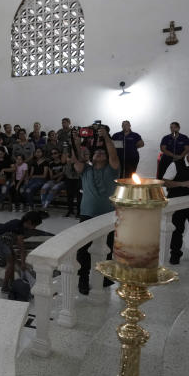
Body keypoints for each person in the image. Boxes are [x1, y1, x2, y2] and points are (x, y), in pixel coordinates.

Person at [72, 126, 120, 295]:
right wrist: (76, 143)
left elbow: (113, 153)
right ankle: (83, 279)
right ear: (91, 157)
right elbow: (76, 160)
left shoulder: (112, 169)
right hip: (87, 214)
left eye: (103, 153)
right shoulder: (86, 170)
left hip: (107, 214)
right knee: (83, 248)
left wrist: (106, 137)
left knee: (107, 246)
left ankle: (106, 276)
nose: (100, 154)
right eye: (96, 153)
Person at [0, 211, 46, 293]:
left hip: (4, 242)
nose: (35, 227)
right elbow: (22, 248)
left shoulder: (18, 223)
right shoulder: (18, 229)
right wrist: (23, 263)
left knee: (13, 258)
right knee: (10, 263)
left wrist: (21, 261)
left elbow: (11, 239)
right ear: (29, 222)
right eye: (35, 225)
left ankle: (11, 282)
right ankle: (4, 287)